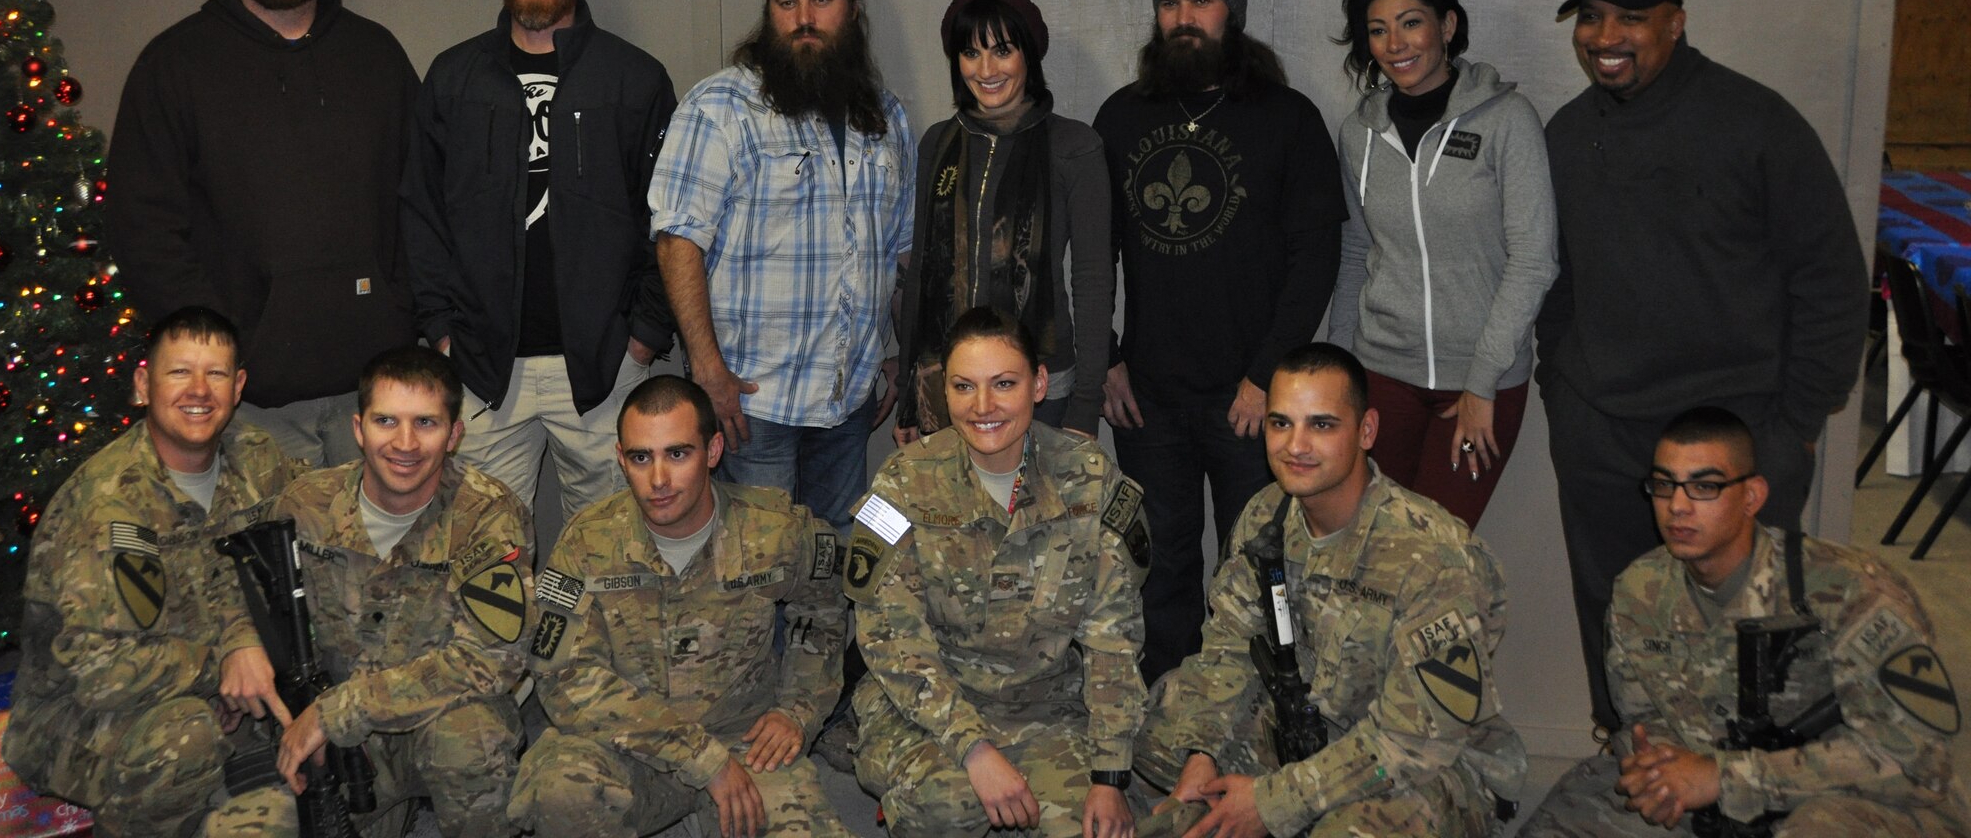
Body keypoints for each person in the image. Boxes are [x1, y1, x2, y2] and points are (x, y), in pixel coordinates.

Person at [1537, 0, 1870, 730]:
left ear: (1676, 23)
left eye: (1632, 19)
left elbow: (1831, 280)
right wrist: (1566, 394)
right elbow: (1555, 279)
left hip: (1737, 440)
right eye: (1590, 17)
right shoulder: (1566, 134)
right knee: (1618, 630)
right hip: (1605, 435)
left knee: (1753, 652)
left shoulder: (1756, 124)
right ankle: (1629, 771)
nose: (1605, 36)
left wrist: (1794, 426)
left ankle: (1747, 796)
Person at [1134, 342, 1526, 838]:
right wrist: (1202, 756)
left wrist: (1274, 803)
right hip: (1308, 733)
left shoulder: (1430, 553)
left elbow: (1416, 741)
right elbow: (1228, 654)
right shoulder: (1266, 514)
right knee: (1163, 724)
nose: (1296, 445)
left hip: (1428, 766)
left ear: (1366, 431)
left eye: (1321, 424)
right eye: (1280, 423)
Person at [1523, 407, 1968, 837]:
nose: (1677, 506)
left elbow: (1918, 761)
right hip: (1708, 801)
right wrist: (1658, 774)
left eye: (1704, 487)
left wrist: (1725, 778)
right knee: (1569, 818)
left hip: (1849, 806)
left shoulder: (1852, 592)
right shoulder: (1639, 592)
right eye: (1664, 485)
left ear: (1751, 496)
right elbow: (1644, 718)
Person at [1092, 0, 1344, 681]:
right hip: (1150, 397)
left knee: (1262, 566)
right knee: (1159, 562)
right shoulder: (1122, 116)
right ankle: (1170, 707)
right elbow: (1092, 252)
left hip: (1251, 398)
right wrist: (1106, 356)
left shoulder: (1287, 118)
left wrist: (1266, 376)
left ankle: (1266, 709)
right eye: (1169, 4)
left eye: (1200, 1)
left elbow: (1315, 259)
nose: (1183, 19)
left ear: (1233, 10)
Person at [108, 0, 419, 465]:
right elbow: (143, 227)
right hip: (248, 403)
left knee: (375, 558)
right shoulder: (174, 66)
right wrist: (218, 350)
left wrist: (402, 314)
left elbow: (421, 200)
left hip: (376, 396)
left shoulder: (376, 56)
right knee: (264, 561)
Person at [402, 0, 678, 522]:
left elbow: (671, 219)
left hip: (604, 370)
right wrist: (442, 332)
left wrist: (644, 337)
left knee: (612, 558)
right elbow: (419, 213)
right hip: (482, 371)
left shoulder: (634, 79)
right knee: (482, 559)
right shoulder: (453, 78)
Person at [848, 307, 1149, 838]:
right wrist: (974, 748)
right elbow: (893, 641)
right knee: (950, 805)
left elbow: (1115, 637)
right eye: (964, 387)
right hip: (927, 708)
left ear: (1037, 385)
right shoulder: (904, 482)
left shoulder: (1088, 476)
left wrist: (1109, 771)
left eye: (1003, 384)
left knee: (1094, 828)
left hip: (1045, 706)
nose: (982, 407)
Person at [509, 375, 853, 838]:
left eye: (677, 453)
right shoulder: (588, 542)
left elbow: (823, 608)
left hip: (745, 742)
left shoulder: (776, 530)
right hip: (631, 746)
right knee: (557, 791)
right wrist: (699, 758)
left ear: (712, 452)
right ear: (620, 459)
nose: (658, 480)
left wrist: (797, 710)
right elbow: (564, 674)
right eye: (640, 457)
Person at [652, 0, 915, 529]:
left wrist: (905, 351)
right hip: (751, 404)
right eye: (786, 2)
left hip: (848, 400)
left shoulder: (886, 116)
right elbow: (676, 242)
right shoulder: (719, 106)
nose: (804, 18)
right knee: (756, 575)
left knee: (831, 566)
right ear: (768, 13)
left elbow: (900, 254)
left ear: (850, 8)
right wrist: (707, 369)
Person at [4, 307, 300, 838]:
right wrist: (222, 666)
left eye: (215, 374)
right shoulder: (108, 506)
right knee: (184, 742)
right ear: (144, 384)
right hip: (74, 717)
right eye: (179, 371)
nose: (199, 390)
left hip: (197, 682)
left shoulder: (259, 458)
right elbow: (102, 672)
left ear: (238, 388)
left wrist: (245, 643)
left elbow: (287, 559)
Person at [260, 346, 531, 838]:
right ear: (359, 429)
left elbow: (490, 660)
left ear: (454, 435)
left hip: (439, 724)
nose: (404, 443)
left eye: (426, 423)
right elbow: (269, 623)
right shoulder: (305, 506)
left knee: (475, 743)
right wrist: (304, 712)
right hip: (344, 747)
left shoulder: (488, 515)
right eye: (386, 421)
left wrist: (340, 712)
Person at [1325, 0, 1557, 526]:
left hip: (1478, 384)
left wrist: (1482, 384)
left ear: (1448, 26)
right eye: (1377, 30)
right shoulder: (1360, 133)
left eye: (1411, 23)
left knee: (1437, 555)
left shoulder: (1507, 120)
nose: (1394, 44)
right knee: (1370, 544)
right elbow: (1355, 253)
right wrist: (1341, 375)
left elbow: (1533, 261)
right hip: (1382, 377)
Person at [894, 0, 1112, 441]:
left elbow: (1093, 280)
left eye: (1002, 50)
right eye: (971, 53)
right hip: (946, 389)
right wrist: (908, 402)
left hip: (1042, 388)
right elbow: (920, 273)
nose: (986, 69)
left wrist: (1086, 407)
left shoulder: (1073, 145)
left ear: (1028, 56)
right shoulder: (938, 141)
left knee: (1035, 514)